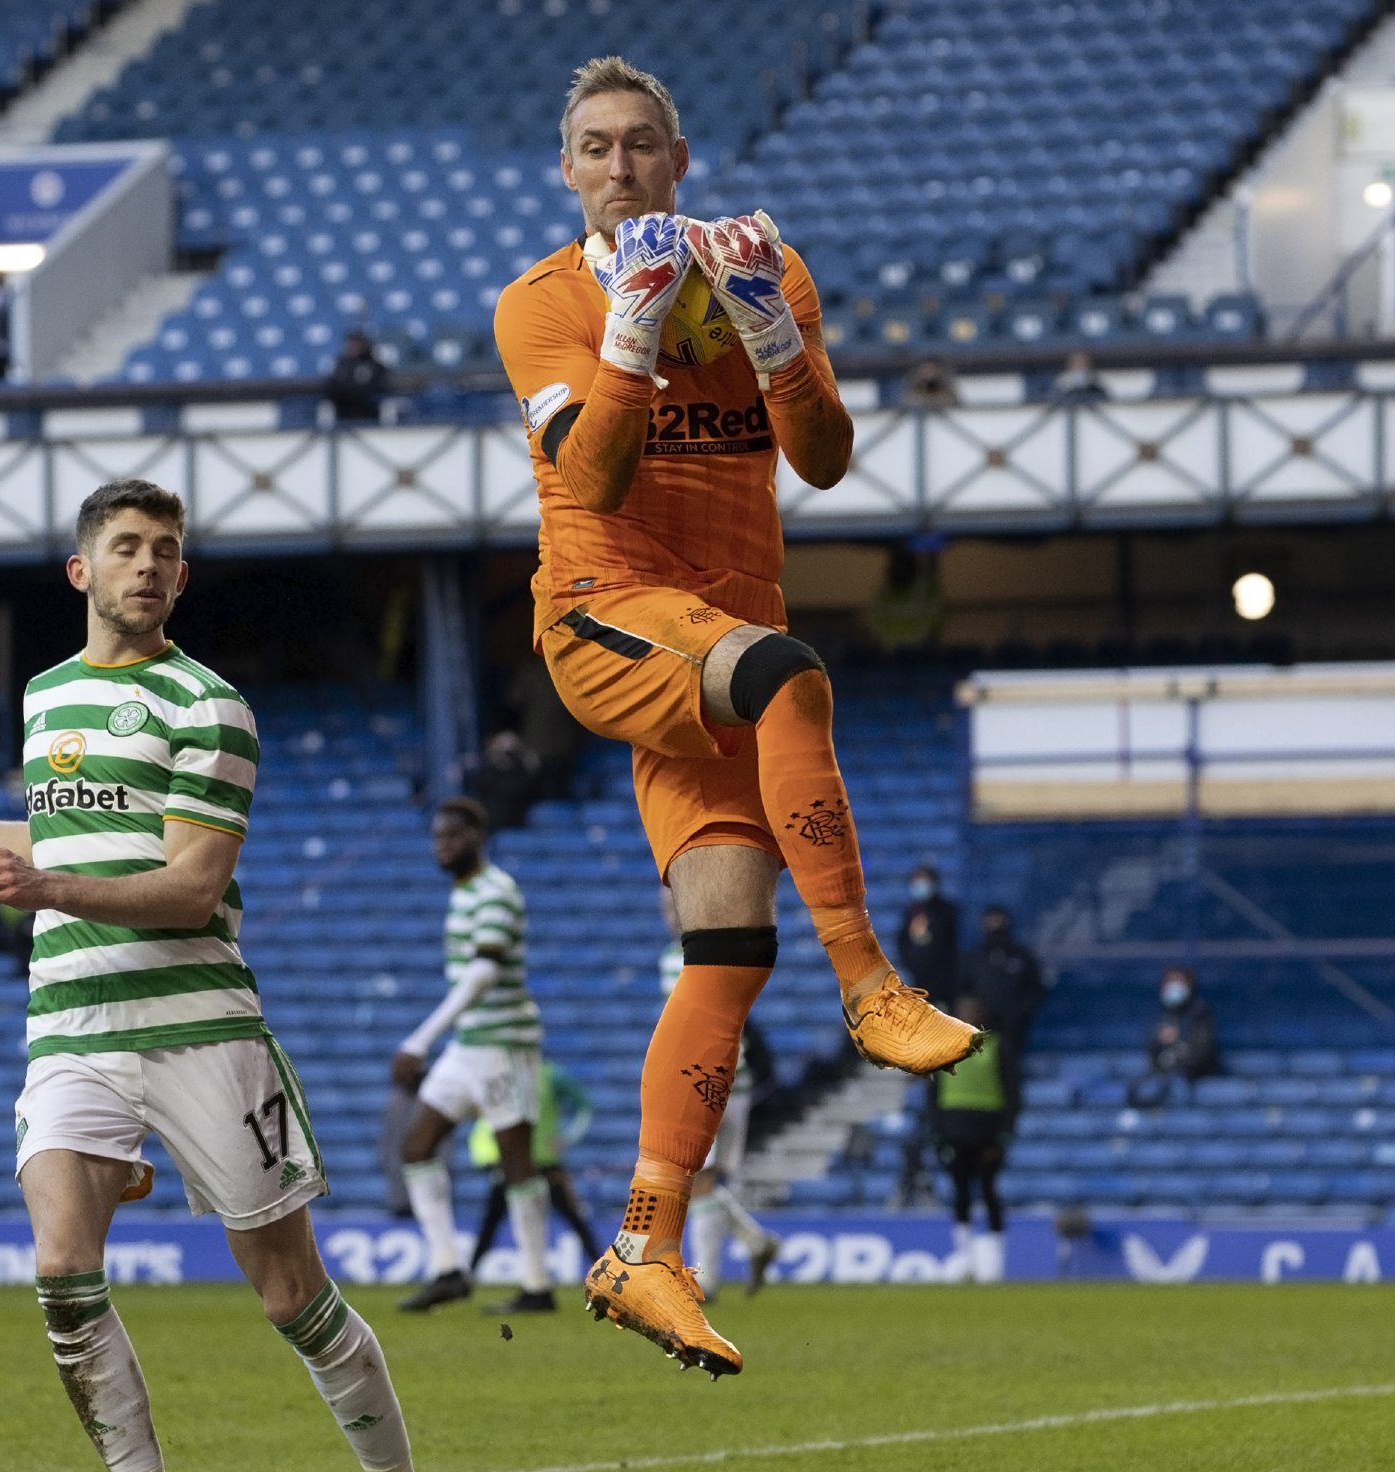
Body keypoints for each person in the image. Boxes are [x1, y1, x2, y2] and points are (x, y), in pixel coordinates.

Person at [493, 54, 982, 1378]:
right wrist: (635, 331)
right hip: (610, 610)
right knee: (792, 675)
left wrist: (771, 329)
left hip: (720, 643)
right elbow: (589, 475)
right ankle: (873, 988)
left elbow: (821, 457)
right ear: (567, 169)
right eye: (593, 147)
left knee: (723, 950)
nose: (618, 168)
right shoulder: (540, 305)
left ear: (681, 158)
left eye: (641, 144)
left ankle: (647, 1245)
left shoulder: (769, 264)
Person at [0, 479, 413, 1472]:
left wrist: (42, 882)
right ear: (82, 569)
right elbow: (68, 836)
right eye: (126, 545)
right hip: (71, 1027)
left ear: (185, 575)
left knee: (294, 1297)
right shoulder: (44, 696)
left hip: (202, 1026)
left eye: (165, 548)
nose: (148, 563)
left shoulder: (210, 705)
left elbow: (191, 887)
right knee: (64, 1275)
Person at [393, 796, 554, 1315]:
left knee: (516, 1163)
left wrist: (421, 1039)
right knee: (417, 1147)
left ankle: (537, 1284)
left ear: (478, 838)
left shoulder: (496, 891)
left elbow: (484, 972)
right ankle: (447, 1269)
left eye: (453, 837)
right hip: (469, 1047)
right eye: (438, 838)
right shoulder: (465, 894)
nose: (443, 846)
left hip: (504, 1046)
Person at [657, 890, 780, 1302]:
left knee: (698, 1180)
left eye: (676, 906)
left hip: (707, 1079)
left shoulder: (683, 958)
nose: (671, 915)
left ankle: (706, 1281)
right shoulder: (716, 951)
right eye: (666, 908)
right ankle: (754, 1240)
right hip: (734, 1080)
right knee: (711, 1179)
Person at [465, 1057, 602, 1275]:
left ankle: (603, 1270)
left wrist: (567, 1137)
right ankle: (468, 1275)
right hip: (512, 1163)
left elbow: (584, 1107)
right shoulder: (503, 1078)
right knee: (490, 1220)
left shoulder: (551, 1075)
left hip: (544, 1164)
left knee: (574, 1220)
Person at [927, 996, 1018, 1283]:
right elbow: (934, 1094)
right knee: (961, 1193)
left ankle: (994, 1262)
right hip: (954, 1131)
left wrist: (1004, 1131)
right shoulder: (944, 1047)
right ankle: (965, 1258)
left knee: (989, 1192)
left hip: (987, 1131)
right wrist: (938, 1132)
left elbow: (1012, 1091)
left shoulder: (996, 1047)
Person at [958, 905, 1047, 1067]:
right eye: (991, 921)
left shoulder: (1021, 956)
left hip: (1014, 1029)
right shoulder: (974, 959)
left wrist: (1022, 1012)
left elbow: (1036, 989)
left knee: (1010, 1068)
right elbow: (962, 991)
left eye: (999, 921)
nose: (995, 926)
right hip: (981, 1031)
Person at [1127, 965, 1221, 1108]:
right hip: (1164, 1076)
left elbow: (1203, 1053)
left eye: (1178, 982)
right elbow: (1152, 1055)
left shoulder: (1200, 1014)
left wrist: (1178, 1043)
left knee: (1177, 1088)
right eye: (1170, 982)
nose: (1174, 987)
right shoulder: (1162, 1017)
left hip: (1192, 1078)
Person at [894, 863, 961, 1012]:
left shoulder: (948, 911)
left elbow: (953, 945)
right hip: (917, 981)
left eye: (925, 880)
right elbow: (902, 942)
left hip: (945, 983)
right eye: (917, 880)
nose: (921, 885)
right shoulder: (910, 912)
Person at [324, 329, 389, 423]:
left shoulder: (374, 365)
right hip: (343, 411)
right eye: (351, 344)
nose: (353, 347)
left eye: (357, 344)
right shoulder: (342, 364)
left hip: (369, 412)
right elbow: (331, 386)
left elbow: (376, 387)